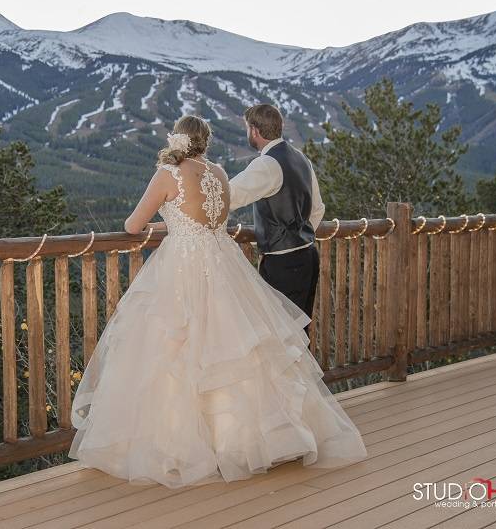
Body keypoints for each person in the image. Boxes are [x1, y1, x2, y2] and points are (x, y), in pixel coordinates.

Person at [68, 115, 367, 489]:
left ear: (177, 139)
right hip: (222, 262)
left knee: (177, 347)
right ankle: (253, 438)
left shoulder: (168, 173)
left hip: (182, 267)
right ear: (205, 141)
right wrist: (172, 222)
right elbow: (210, 222)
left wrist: (160, 224)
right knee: (233, 347)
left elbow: (132, 226)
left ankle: (185, 443)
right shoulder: (221, 173)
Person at [229, 104, 324, 325]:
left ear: (254, 130)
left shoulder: (266, 164)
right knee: (301, 331)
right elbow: (318, 209)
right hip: (309, 256)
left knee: (281, 333)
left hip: (284, 262)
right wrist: (300, 234)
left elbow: (229, 197)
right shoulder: (301, 158)